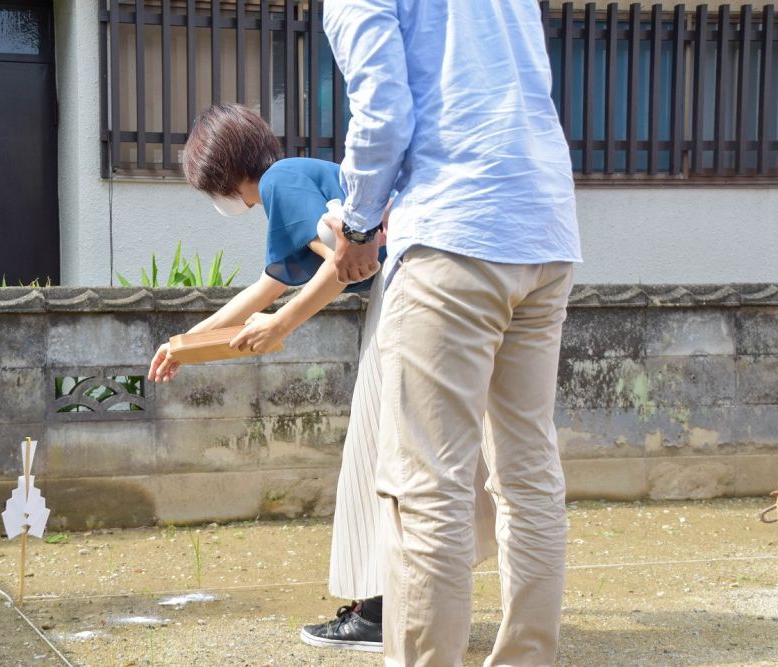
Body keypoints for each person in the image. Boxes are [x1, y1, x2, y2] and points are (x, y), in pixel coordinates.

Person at [147, 103, 497, 653]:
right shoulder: (293, 181)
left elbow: (347, 261)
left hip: (404, 295)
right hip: (434, 285)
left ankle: (380, 613)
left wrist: (281, 324)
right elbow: (257, 294)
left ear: (221, 175)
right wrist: (181, 346)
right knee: (425, 451)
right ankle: (400, 606)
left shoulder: (281, 181)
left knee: (380, 455)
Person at [322, 1, 583, 665]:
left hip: (453, 230)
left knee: (427, 484)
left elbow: (384, 112)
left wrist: (356, 226)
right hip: (544, 229)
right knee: (527, 475)